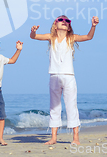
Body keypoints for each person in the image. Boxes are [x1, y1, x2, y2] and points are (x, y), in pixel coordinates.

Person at [30, 15, 99, 145]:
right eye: (61, 20)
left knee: (71, 106)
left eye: (67, 21)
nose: (64, 22)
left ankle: (76, 138)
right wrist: (33, 31)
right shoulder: (51, 37)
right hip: (54, 76)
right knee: (54, 107)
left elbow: (88, 37)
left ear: (69, 27)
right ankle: (54, 137)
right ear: (55, 25)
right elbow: (34, 37)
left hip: (68, 76)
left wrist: (93, 26)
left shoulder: (71, 38)